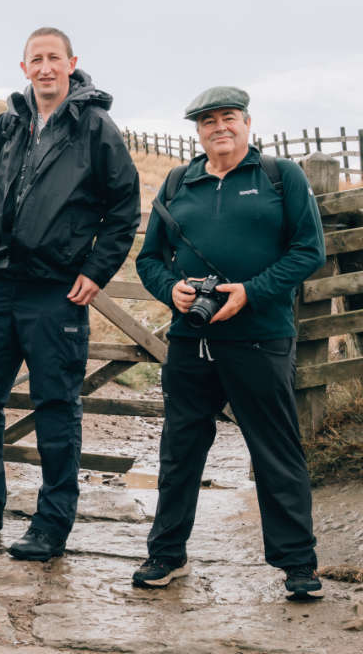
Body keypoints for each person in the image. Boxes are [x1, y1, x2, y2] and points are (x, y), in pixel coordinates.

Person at [0, 28, 140, 561]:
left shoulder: (96, 128)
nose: (45, 68)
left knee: (55, 405)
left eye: (54, 59)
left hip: (57, 292)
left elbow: (124, 209)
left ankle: (51, 524)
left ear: (72, 63)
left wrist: (97, 269)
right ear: (23, 68)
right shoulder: (9, 122)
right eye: (35, 60)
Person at [133, 86, 326, 600]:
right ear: (197, 130)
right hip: (189, 340)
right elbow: (149, 259)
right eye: (208, 121)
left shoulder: (279, 178)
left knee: (276, 450)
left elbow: (310, 251)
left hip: (260, 337)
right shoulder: (178, 184)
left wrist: (252, 293)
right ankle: (165, 554)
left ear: (247, 122)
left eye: (229, 117)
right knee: (180, 450)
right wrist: (168, 290)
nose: (219, 127)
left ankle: (297, 566)